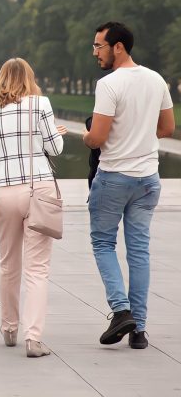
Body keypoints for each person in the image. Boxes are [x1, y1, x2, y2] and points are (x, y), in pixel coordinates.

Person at [84, 22, 174, 350]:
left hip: (114, 177)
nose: (95, 52)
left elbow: (98, 137)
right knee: (138, 251)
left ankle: (121, 310)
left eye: (99, 46)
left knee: (103, 244)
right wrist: (139, 133)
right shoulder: (156, 80)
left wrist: (85, 136)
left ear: (117, 46)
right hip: (148, 178)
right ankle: (139, 330)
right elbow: (166, 128)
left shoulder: (110, 84)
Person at [0, 58, 66, 358]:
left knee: (8, 263)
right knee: (37, 268)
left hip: (2, 191)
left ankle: (9, 328)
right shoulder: (40, 104)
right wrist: (56, 133)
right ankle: (33, 339)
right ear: (30, 78)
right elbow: (55, 149)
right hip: (37, 188)